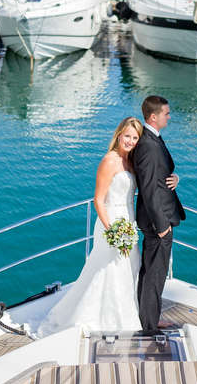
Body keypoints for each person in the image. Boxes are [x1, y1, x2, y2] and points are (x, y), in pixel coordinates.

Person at [37, 117, 159, 335]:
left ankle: (125, 315)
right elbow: (98, 200)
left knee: (128, 268)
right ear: (119, 134)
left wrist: (174, 178)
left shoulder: (131, 162)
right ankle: (99, 318)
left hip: (129, 222)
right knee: (107, 269)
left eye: (135, 138)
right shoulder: (109, 161)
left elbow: (151, 182)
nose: (130, 141)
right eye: (127, 136)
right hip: (111, 222)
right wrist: (111, 230)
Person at [131, 95, 185, 336]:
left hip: (158, 217)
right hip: (157, 220)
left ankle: (148, 318)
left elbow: (159, 176)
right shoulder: (149, 145)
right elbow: (150, 189)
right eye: (166, 113)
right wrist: (162, 225)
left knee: (151, 270)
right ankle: (150, 326)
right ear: (153, 116)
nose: (169, 116)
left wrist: (175, 179)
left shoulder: (152, 139)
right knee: (155, 273)